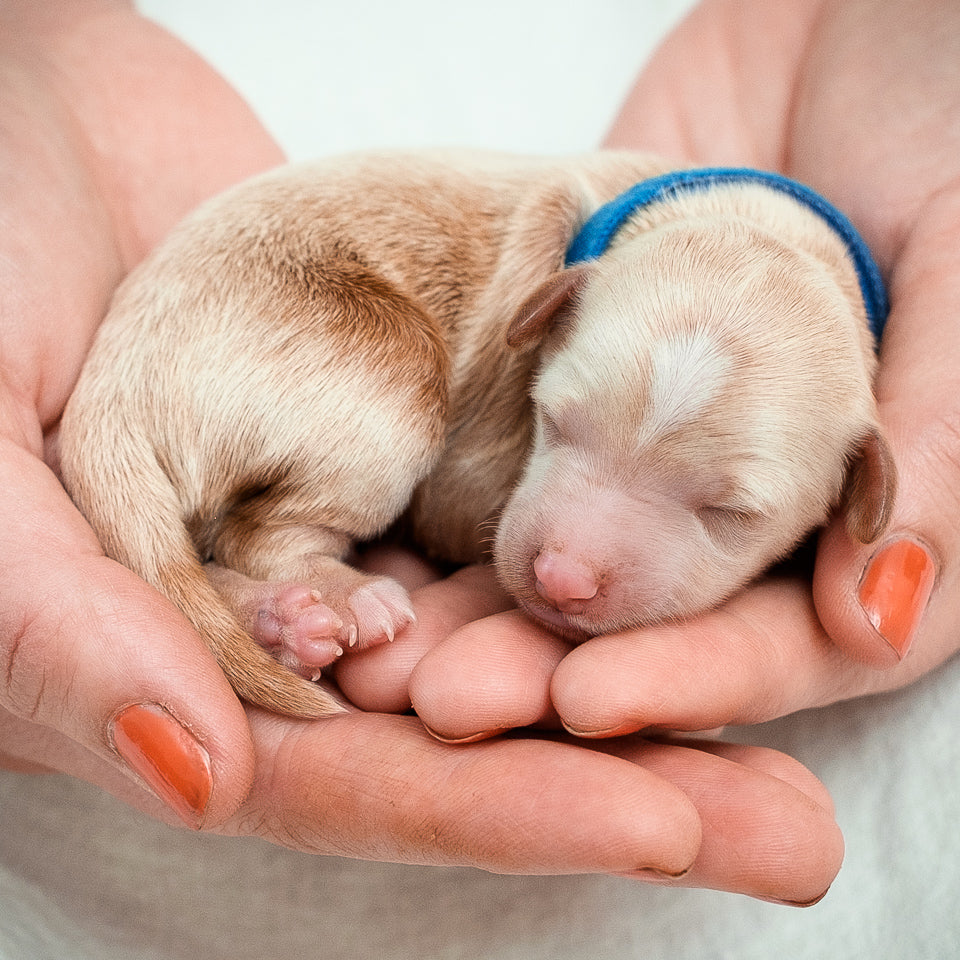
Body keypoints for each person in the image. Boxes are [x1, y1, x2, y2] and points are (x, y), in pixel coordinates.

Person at [0, 0, 954, 915]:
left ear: (860, 483)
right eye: (564, 426)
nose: (566, 566)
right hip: (269, 314)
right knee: (387, 398)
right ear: (555, 315)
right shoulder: (577, 270)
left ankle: (234, 580)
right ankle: (275, 548)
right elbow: (457, 498)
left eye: (722, 508)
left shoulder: (782, 373)